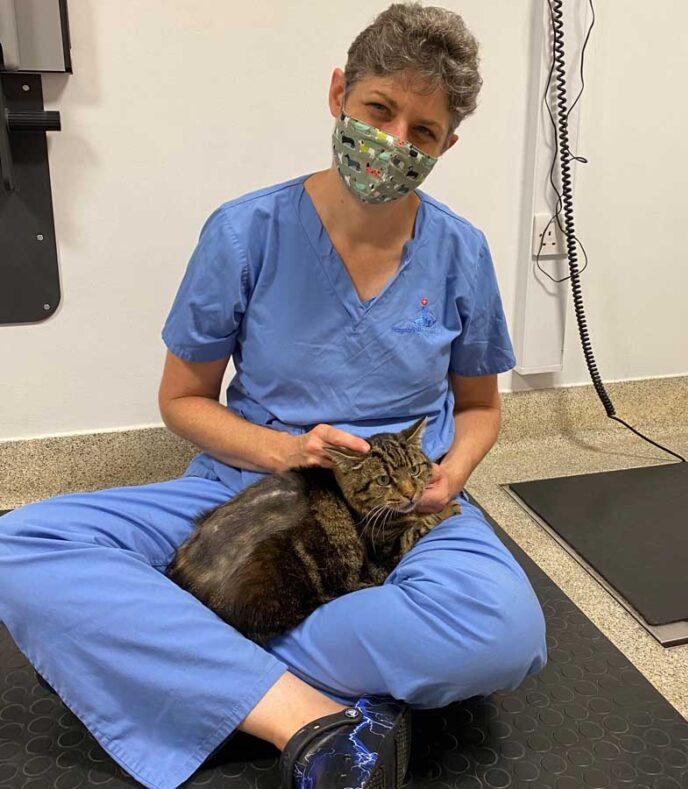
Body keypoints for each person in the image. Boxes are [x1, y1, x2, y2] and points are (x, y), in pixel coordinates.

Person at [0, 3, 548, 788]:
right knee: (20, 543)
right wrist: (286, 449)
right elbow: (184, 399)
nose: (392, 143)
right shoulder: (244, 231)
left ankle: (165, 661)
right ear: (338, 94)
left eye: (421, 133)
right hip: (247, 483)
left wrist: (450, 474)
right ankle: (305, 715)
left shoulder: (460, 251)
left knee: (504, 633)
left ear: (445, 146)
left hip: (406, 505)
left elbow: (481, 407)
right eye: (378, 109)